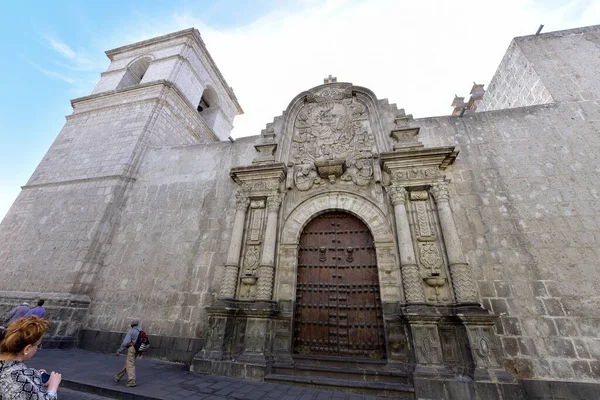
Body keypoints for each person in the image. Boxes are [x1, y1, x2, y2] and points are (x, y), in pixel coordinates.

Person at [0, 316, 62, 399]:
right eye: (37, 345)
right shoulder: (20, 377)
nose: (37, 348)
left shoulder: (24, 375)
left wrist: (34, 379)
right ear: (27, 348)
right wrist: (53, 387)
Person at [114, 319, 142, 387]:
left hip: (132, 348)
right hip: (138, 349)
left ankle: (131, 381)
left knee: (130, 364)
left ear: (132, 324)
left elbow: (125, 342)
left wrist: (119, 350)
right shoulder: (141, 331)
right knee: (129, 363)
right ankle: (118, 376)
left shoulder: (131, 331)